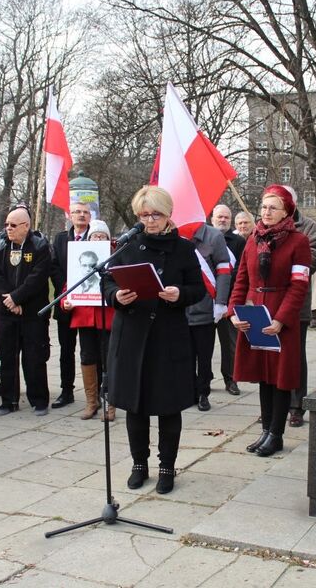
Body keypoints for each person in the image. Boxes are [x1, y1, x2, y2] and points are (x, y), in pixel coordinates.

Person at [104, 186, 205, 494]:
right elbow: (107, 280)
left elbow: (198, 289)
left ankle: (166, 467)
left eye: (156, 215)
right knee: (135, 406)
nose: (150, 221)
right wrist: (116, 296)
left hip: (167, 336)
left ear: (168, 214)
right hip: (132, 335)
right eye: (144, 215)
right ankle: (139, 464)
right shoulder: (127, 244)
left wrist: (179, 294)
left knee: (167, 406)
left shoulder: (183, 248)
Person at [230, 185, 311, 456]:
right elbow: (241, 279)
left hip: (280, 317)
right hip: (255, 314)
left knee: (280, 378)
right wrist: (234, 312)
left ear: (286, 211)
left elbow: (299, 286)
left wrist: (281, 319)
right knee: (263, 377)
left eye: (273, 207)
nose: (266, 212)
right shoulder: (253, 238)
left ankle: (276, 434)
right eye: (264, 207)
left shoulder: (298, 241)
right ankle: (265, 431)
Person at [270, 186, 316, 428]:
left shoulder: (309, 228)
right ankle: (273, 407)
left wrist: (281, 260)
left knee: (294, 357)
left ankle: (296, 406)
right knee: (270, 357)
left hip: (296, 304)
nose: (270, 209)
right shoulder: (264, 228)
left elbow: (313, 258)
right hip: (269, 302)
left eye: (280, 202)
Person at [0, 206, 52, 415]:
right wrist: (10, 300)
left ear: (26, 226)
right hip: (8, 312)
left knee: (34, 357)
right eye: (6, 224)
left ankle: (39, 400)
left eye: (13, 225)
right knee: (7, 357)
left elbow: (37, 277)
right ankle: (8, 401)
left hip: (33, 312)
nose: (8, 228)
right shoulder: (1, 245)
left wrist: (17, 297)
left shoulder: (40, 246)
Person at [61, 219, 114, 420]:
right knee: (87, 357)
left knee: (109, 359)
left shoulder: (115, 257)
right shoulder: (80, 256)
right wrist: (65, 302)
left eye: (102, 236)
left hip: (108, 317)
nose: (98, 239)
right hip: (85, 317)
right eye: (94, 236)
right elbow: (68, 287)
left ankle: (110, 402)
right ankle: (92, 401)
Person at [49, 201, 91, 409]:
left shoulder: (96, 238)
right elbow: (54, 266)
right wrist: (66, 290)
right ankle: (67, 391)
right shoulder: (60, 239)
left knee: (90, 350)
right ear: (70, 216)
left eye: (85, 212)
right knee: (66, 349)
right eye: (77, 212)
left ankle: (96, 393)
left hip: (90, 304)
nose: (81, 215)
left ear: (90, 216)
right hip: (66, 302)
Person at [186, 221, 231, 412]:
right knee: (184, 355)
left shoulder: (214, 236)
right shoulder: (174, 234)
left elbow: (223, 270)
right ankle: (188, 391)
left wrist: (220, 301)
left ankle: (203, 392)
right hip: (179, 306)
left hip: (204, 306)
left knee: (204, 355)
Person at [211, 204, 245, 396]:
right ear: (212, 219)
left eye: (226, 217)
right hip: (207, 299)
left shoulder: (238, 241)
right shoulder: (204, 239)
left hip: (229, 299)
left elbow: (241, 270)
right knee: (203, 345)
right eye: (220, 217)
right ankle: (202, 381)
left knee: (231, 344)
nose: (223, 220)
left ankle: (231, 379)